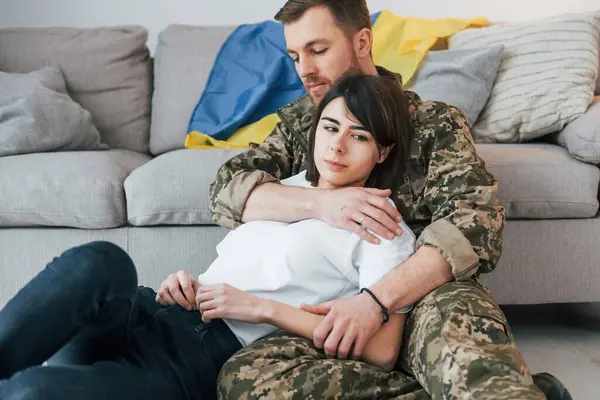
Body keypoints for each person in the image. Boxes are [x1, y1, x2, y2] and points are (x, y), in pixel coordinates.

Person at [211, 1, 572, 399]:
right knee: (247, 382)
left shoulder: (433, 123)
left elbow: (474, 225)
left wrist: (376, 302)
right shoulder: (301, 125)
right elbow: (228, 190)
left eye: (318, 50)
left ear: (362, 41)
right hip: (324, 312)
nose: (303, 70)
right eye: (295, 55)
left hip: (420, 296)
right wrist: (324, 204)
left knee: (474, 367)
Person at [0, 74, 417, 400]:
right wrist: (181, 285)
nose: (337, 146)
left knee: (30, 391)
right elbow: (234, 261)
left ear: (382, 152)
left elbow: (381, 351)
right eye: (329, 127)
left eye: (358, 135)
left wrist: (262, 308)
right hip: (157, 309)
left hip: (197, 357)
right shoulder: (287, 190)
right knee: (104, 261)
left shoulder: (384, 228)